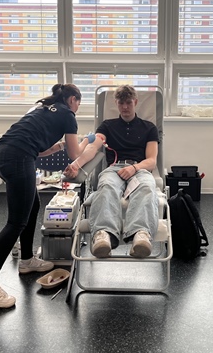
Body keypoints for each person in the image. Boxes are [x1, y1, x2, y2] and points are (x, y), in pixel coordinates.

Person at [0, 83, 92, 309]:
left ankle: (27, 260)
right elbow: (75, 154)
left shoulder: (42, 108)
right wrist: (88, 140)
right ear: (73, 100)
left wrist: (59, 146)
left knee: (33, 205)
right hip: (19, 158)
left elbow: (39, 149)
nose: (78, 108)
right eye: (79, 103)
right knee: (16, 222)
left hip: (2, 154)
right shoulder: (68, 114)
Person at [64, 85, 160, 260]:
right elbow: (92, 148)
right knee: (106, 186)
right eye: (121, 103)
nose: (125, 107)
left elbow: (152, 160)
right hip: (114, 169)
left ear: (135, 102)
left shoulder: (149, 128)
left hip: (139, 168)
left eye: (128, 102)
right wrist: (76, 165)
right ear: (116, 103)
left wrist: (134, 168)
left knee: (146, 187)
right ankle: (103, 235)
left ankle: (141, 235)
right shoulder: (107, 126)